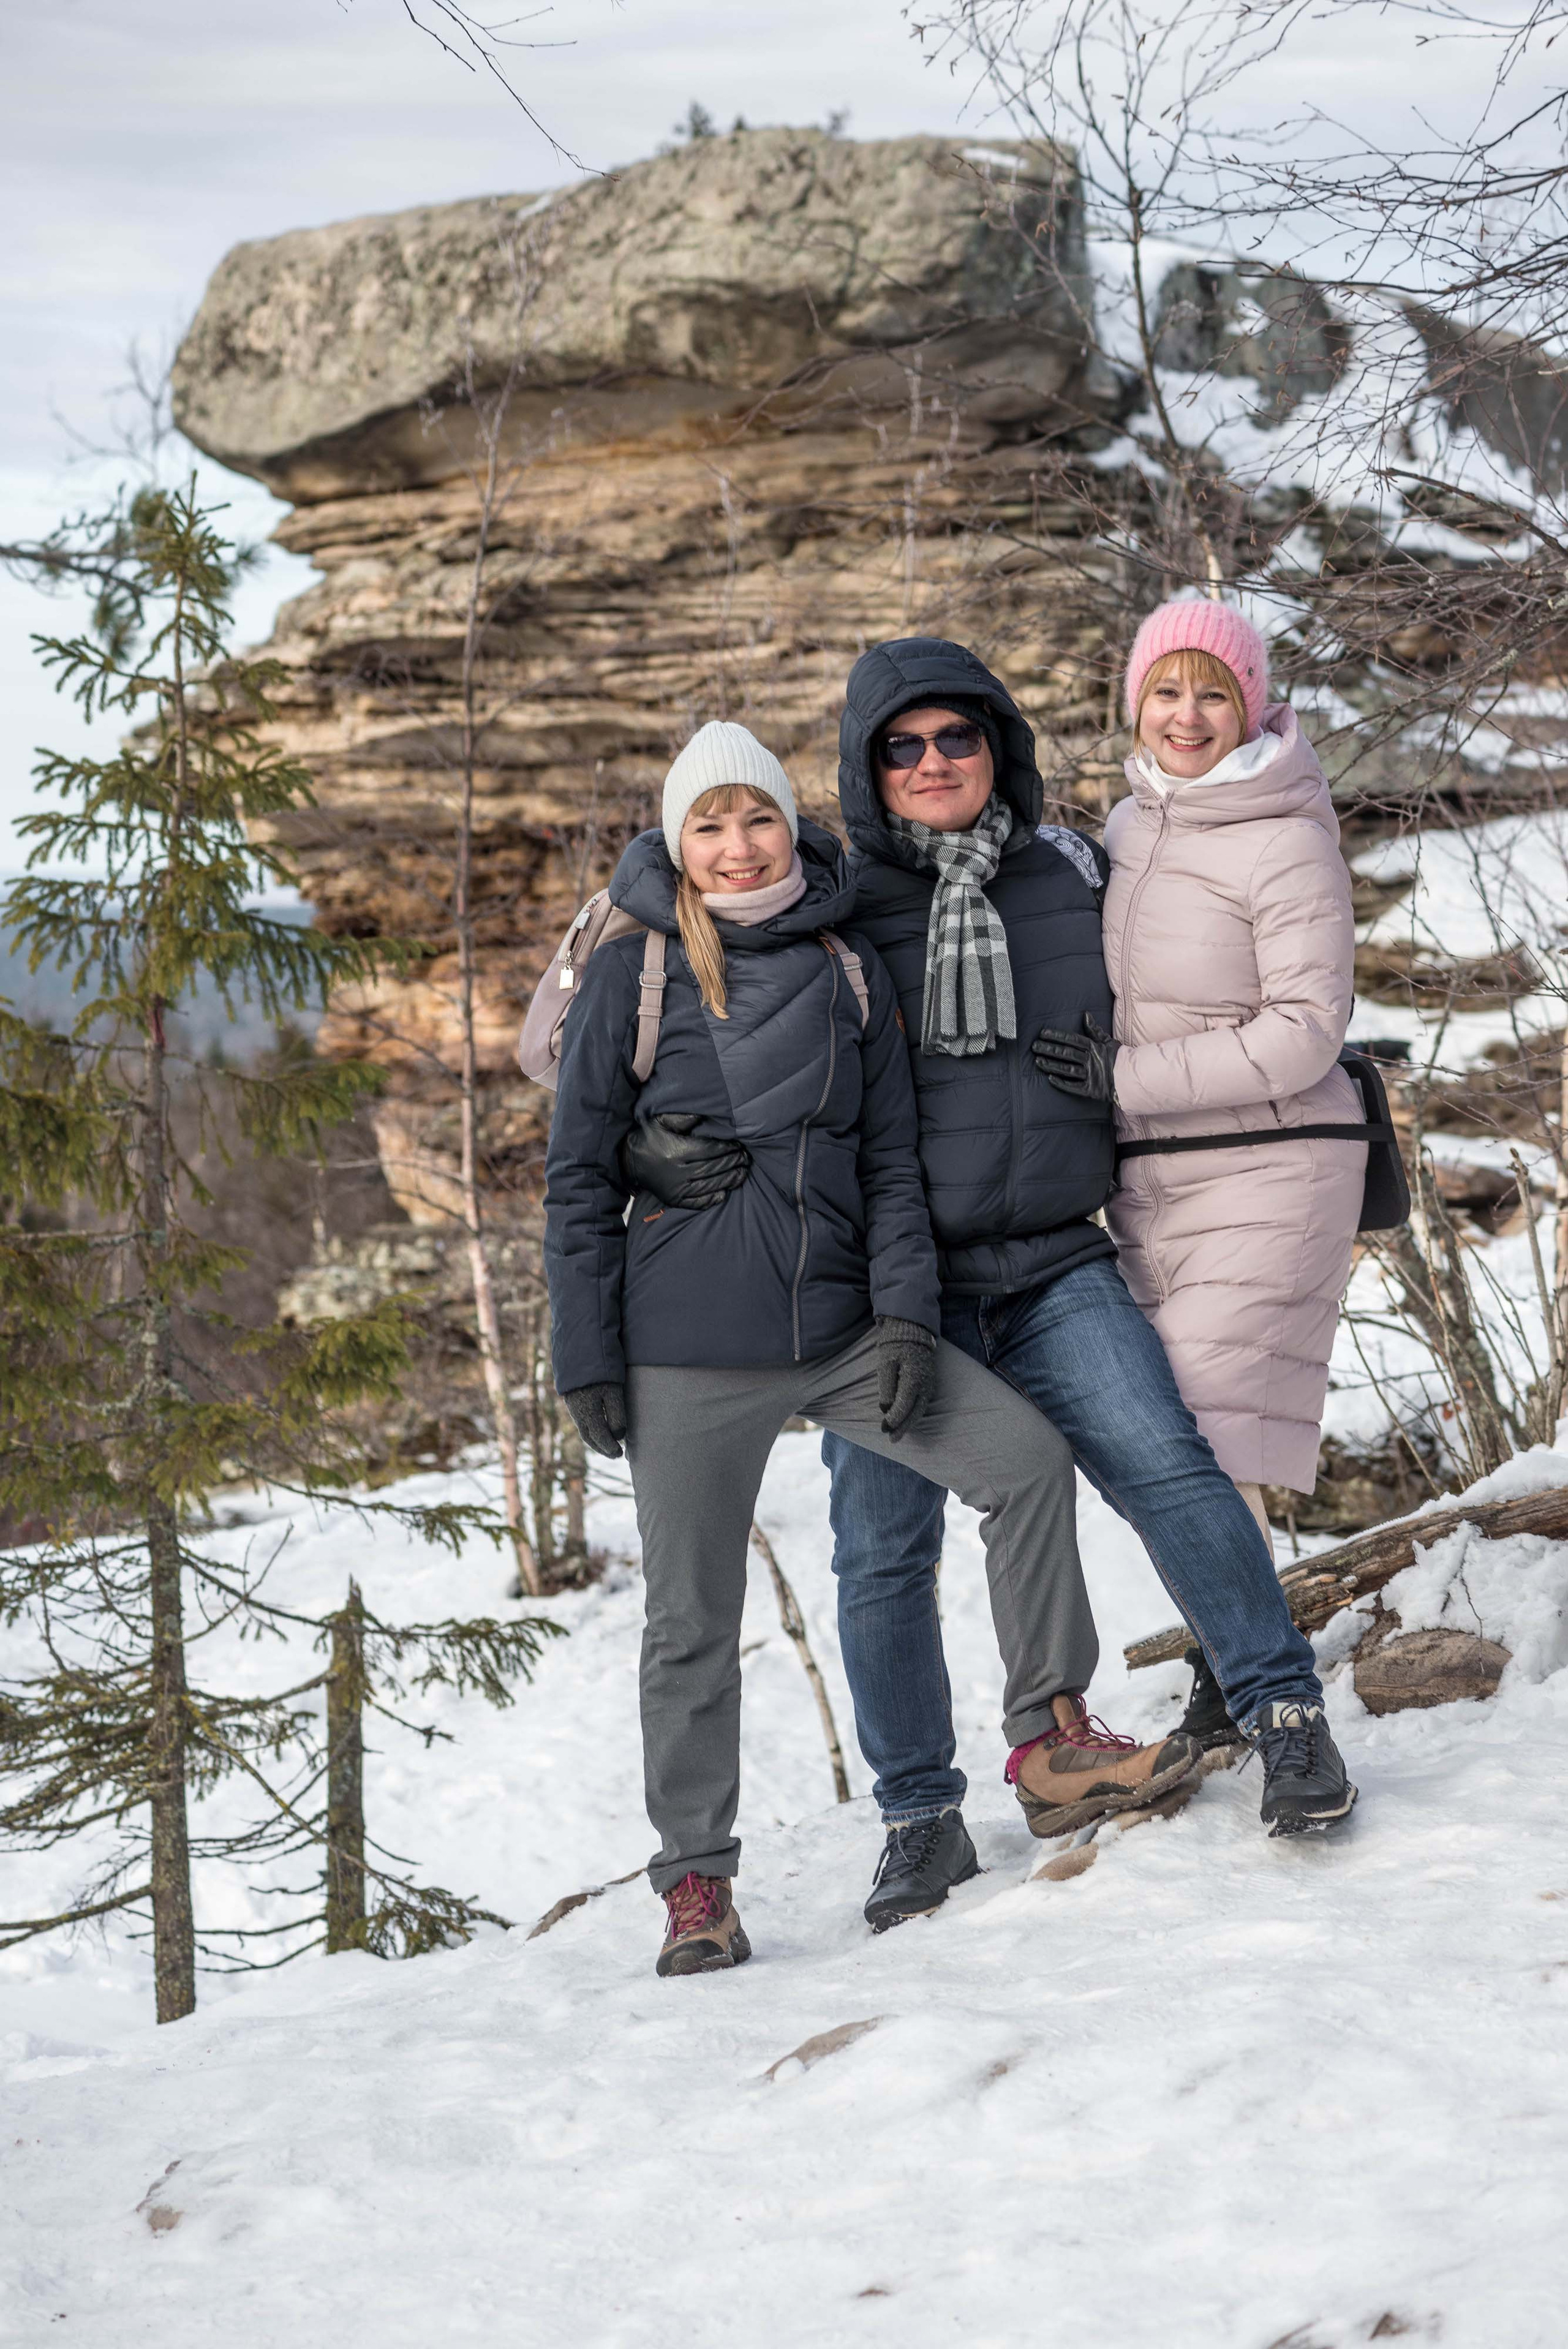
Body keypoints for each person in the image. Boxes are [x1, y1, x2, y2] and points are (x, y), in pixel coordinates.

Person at [625, 644, 1357, 1925]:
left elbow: (1208, 931)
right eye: (901, 747)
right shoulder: (825, 900)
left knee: (1167, 1466)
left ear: (996, 747)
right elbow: (638, 994)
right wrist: (640, 1142)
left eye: (956, 737)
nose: (932, 764)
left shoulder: (1075, 870)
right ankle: (920, 1817)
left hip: (1056, 1256)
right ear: (867, 768)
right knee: (881, 1549)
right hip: (893, 1294)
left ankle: (1281, 1708)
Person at [543, 720, 1196, 1979]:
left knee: (1024, 1465)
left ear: (790, 827)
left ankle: (1050, 1738)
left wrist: (900, 1315)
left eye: (757, 818)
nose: (738, 846)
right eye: (708, 825)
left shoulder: (847, 965)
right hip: (687, 1351)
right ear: (677, 843)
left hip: (845, 1335)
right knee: (691, 1622)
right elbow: (575, 1179)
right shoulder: (634, 973)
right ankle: (696, 1885)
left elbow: (893, 1162)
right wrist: (586, 1353)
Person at [1046, 594, 1365, 1634]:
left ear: (1252, 706)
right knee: (1176, 1442)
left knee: (1203, 1439)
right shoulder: (1131, 823)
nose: (1187, 716)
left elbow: (1305, 1032)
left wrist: (1123, 1079)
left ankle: (1245, 1680)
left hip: (1274, 1166)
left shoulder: (1286, 839)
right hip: (1158, 1182)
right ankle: (1241, 1664)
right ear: (1134, 702)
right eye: (1166, 691)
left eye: (1214, 695)